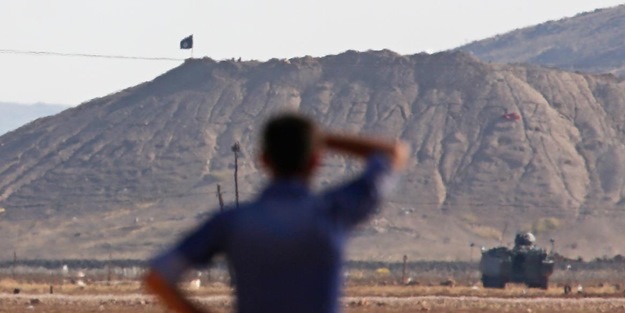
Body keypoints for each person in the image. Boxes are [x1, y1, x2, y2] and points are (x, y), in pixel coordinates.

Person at [144, 113, 409, 313]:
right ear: (316, 160)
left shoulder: (233, 223)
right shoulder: (333, 212)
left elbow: (158, 277)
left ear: (264, 160)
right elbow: (393, 154)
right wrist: (320, 139)